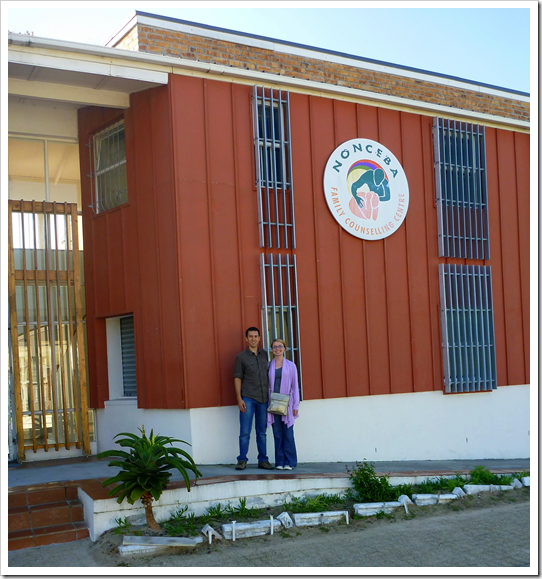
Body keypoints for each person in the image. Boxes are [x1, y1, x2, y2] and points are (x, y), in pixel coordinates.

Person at [233, 327, 274, 471]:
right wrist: (239, 398)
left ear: (259, 338)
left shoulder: (264, 355)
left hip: (263, 399)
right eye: (250, 336)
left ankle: (263, 460)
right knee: (245, 432)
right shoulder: (241, 357)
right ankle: (242, 460)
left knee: (261, 432)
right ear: (246, 339)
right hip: (248, 398)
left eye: (256, 336)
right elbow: (237, 378)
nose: (253, 339)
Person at [267, 338, 299, 470]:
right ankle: (279, 462)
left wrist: (296, 405)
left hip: (287, 403)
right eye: (274, 347)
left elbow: (295, 386)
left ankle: (290, 462)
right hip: (273, 402)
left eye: (280, 346)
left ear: (285, 348)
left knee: (288, 433)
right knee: (277, 433)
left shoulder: (291, 366)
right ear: (272, 349)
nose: (277, 349)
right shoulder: (269, 366)